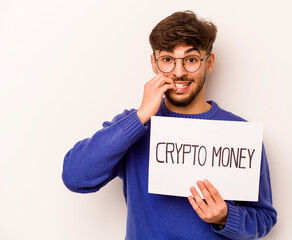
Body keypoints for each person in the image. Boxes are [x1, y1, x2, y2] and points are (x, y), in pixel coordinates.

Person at [62, 10, 277, 239]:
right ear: (154, 64)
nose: (179, 72)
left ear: (209, 63)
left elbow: (264, 217)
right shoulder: (133, 126)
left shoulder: (239, 134)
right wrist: (141, 115)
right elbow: (75, 176)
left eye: (191, 60)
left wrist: (225, 217)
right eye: (167, 60)